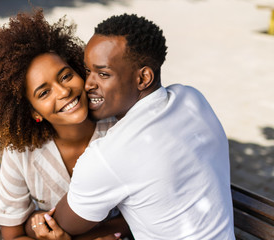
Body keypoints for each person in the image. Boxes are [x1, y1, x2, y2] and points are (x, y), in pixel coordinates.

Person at [48, 14, 236, 239]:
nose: (88, 84)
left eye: (103, 74)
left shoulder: (109, 155)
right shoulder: (192, 98)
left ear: (143, 78)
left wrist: (32, 223)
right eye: (88, 70)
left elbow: (56, 226)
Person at [0, 9, 131, 240]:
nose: (64, 91)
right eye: (44, 92)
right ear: (34, 111)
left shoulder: (119, 127)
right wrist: (36, 224)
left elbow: (148, 210)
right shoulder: (21, 153)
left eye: (66, 76)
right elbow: (12, 236)